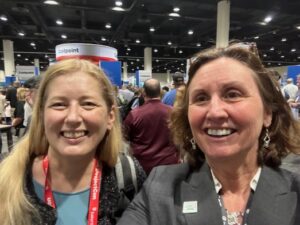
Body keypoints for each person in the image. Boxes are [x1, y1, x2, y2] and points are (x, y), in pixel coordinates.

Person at [117, 44, 300, 225]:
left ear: (267, 113)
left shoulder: (295, 189)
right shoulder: (161, 188)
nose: (215, 112)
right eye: (201, 98)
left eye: (232, 94)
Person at [0, 59, 146, 225]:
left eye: (88, 104)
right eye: (59, 104)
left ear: (110, 116)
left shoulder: (129, 176)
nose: (73, 118)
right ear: (41, 114)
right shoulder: (8, 180)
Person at [123, 79, 179, 175]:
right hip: (170, 165)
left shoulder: (134, 114)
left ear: (143, 92)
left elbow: (124, 137)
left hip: (143, 167)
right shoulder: (173, 112)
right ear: (160, 91)